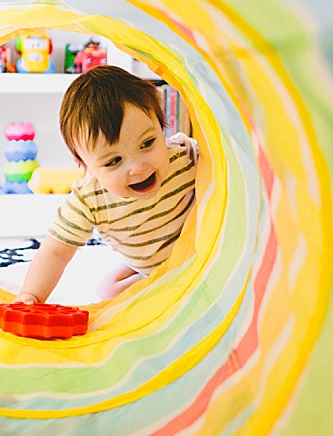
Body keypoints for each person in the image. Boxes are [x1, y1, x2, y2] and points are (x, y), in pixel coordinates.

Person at [15, 65, 197, 304]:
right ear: (85, 166)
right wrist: (31, 295)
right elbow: (55, 251)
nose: (137, 168)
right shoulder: (89, 199)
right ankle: (153, 277)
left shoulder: (185, 156)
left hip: (197, 254)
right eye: (114, 161)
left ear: (161, 125)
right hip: (147, 264)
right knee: (109, 291)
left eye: (148, 143)